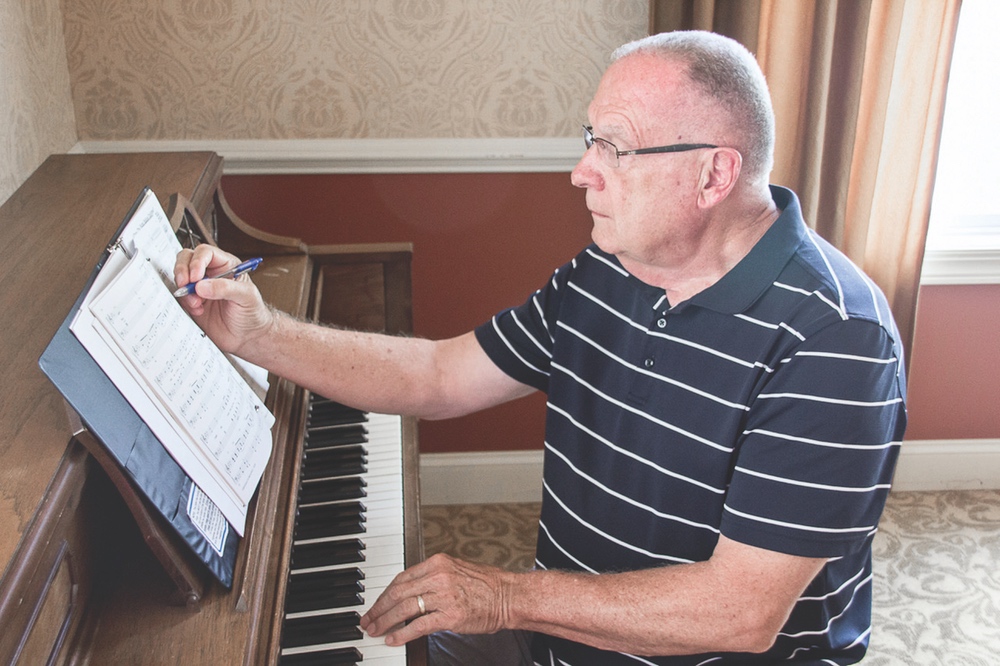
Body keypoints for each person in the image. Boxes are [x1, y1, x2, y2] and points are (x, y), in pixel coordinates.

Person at [176, 30, 906, 666]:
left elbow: (739, 613)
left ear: (713, 173)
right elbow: (439, 374)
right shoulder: (611, 267)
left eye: (613, 148)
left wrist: (506, 599)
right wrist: (261, 333)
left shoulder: (837, 340)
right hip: (560, 641)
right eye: (589, 139)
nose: (580, 172)